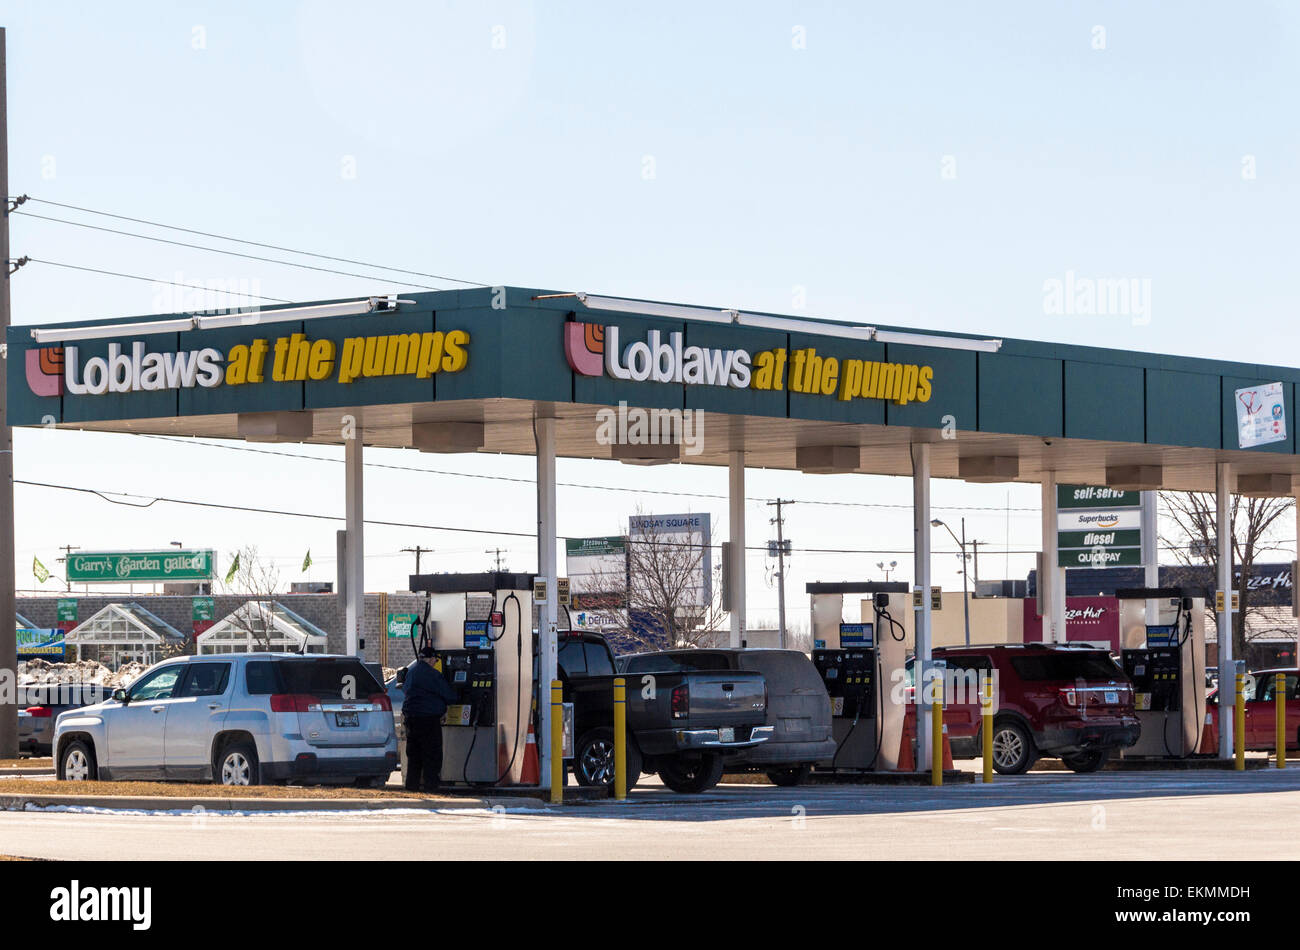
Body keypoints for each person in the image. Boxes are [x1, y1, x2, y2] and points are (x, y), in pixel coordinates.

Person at [402, 647, 457, 793]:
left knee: (414, 756)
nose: (435, 662)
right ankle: (431, 787)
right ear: (431, 658)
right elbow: (450, 696)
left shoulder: (411, 673)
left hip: (411, 719)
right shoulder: (433, 675)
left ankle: (412, 786)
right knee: (431, 755)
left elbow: (405, 690)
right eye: (435, 660)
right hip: (429, 720)